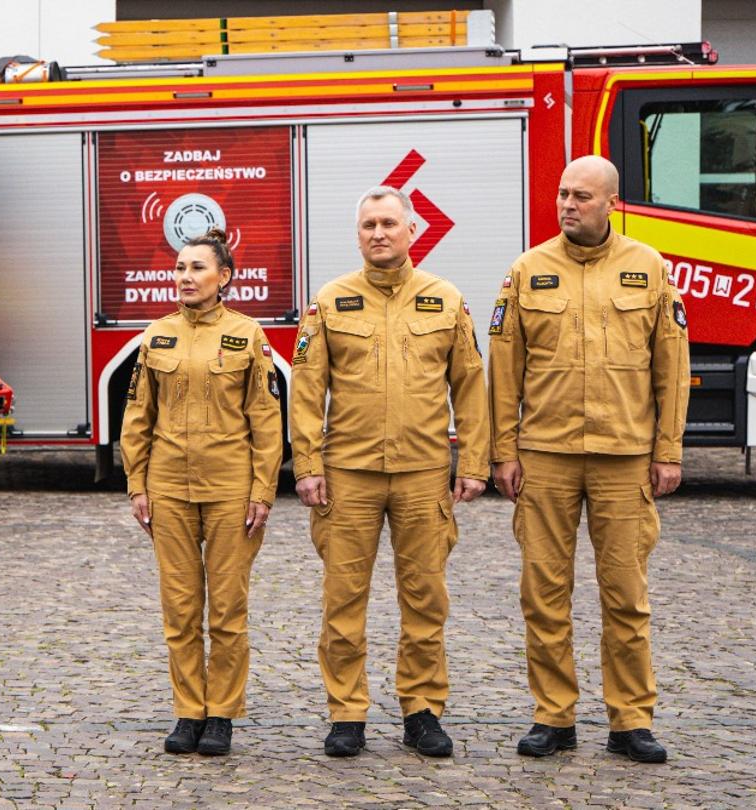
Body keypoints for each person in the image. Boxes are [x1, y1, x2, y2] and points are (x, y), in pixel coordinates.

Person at [489, 155, 689, 764]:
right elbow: (504, 371)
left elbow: (672, 365)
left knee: (625, 594)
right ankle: (553, 717)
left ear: (610, 203)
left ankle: (631, 721)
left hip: (624, 457)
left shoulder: (648, 268)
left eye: (581, 196)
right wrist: (503, 450)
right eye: (562, 194)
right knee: (544, 592)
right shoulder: (528, 271)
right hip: (545, 455)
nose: (568, 204)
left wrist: (668, 450)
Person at [289, 186, 490, 759]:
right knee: (342, 600)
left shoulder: (444, 300)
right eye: (368, 225)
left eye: (388, 223)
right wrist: (307, 464)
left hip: (423, 472)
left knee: (425, 598)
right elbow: (307, 390)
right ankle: (346, 713)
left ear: (412, 230)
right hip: (347, 474)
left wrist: (474, 461)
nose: (378, 233)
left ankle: (422, 711)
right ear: (358, 235)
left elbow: (470, 385)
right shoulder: (331, 301)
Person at [121, 228, 282, 757]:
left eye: (197, 268)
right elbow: (138, 416)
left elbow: (266, 418)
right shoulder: (157, 336)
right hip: (168, 488)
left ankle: (221, 715)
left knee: (228, 610)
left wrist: (263, 490)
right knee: (181, 607)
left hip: (231, 488)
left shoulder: (247, 334)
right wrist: (137, 484)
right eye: (179, 268)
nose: (185, 277)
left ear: (224, 276)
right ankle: (189, 711)